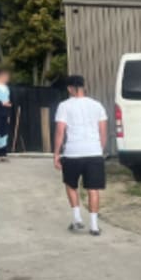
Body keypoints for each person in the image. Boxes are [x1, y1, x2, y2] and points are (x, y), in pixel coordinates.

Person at [53, 75, 108, 236]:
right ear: (84, 86)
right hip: (94, 152)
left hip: (72, 152)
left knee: (71, 185)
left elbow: (60, 131)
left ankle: (77, 219)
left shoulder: (64, 106)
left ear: (70, 88)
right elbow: (103, 131)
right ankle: (94, 226)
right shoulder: (97, 105)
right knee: (93, 189)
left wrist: (56, 153)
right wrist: (100, 149)